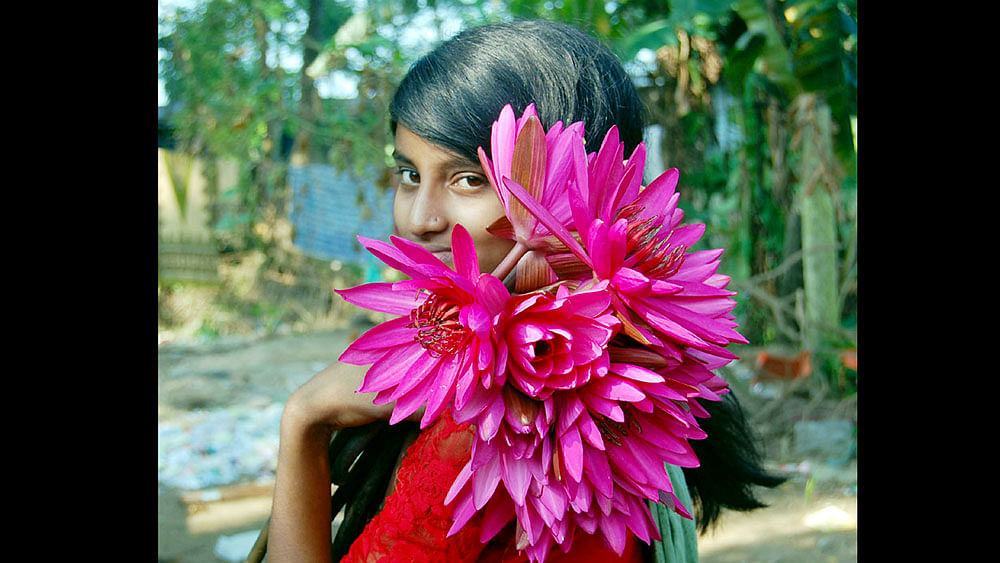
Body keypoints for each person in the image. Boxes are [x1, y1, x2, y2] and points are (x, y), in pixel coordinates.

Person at [267, 19, 783, 563]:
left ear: (574, 186)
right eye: (409, 174)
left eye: (469, 179)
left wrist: (303, 421)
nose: (419, 219)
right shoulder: (650, 383)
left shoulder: (492, 426)